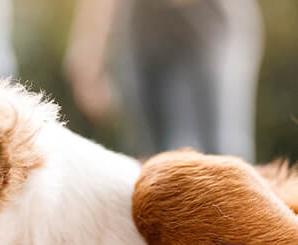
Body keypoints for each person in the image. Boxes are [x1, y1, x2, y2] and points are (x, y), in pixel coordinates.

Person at [65, 0, 264, 160]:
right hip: (143, 26)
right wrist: (89, 53)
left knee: (222, 151)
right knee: (156, 157)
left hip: (210, 21)